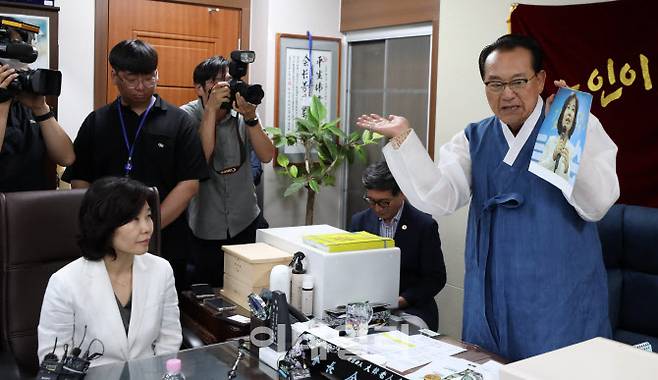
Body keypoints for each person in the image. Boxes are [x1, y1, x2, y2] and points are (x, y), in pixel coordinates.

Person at [357, 34, 619, 360]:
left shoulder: (575, 124)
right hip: (490, 296)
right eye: (494, 84)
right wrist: (403, 139)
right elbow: (439, 199)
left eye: (518, 81)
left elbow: (598, 204)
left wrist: (563, 134)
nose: (506, 94)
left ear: (540, 80)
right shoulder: (474, 137)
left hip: (558, 298)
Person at [62, 40, 208, 291]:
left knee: (165, 310)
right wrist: (106, 227)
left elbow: (189, 184)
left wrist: (148, 228)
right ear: (114, 76)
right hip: (106, 241)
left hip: (166, 240)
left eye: (149, 78)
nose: (141, 86)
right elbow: (80, 180)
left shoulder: (179, 122)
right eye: (131, 79)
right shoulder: (97, 122)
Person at [37, 177, 182, 367]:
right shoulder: (64, 282)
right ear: (104, 225)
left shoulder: (161, 270)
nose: (146, 228)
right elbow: (53, 357)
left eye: (148, 216)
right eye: (133, 220)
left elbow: (169, 340)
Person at [180, 56, 273, 287]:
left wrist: (251, 117)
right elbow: (200, 160)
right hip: (205, 225)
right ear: (199, 88)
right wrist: (210, 111)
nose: (225, 88)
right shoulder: (185, 117)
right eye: (217, 82)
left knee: (249, 289)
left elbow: (267, 155)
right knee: (208, 295)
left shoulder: (241, 113)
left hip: (246, 219)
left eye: (228, 81)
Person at [349, 160, 446, 331]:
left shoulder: (423, 225)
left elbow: (435, 278)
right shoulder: (360, 221)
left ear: (402, 193)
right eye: (371, 201)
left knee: (398, 342)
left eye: (384, 202)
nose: (377, 208)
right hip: (367, 308)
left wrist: (399, 301)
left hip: (411, 309)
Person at [0, 35, 74, 192]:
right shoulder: (4, 104)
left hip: (33, 203)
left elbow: (66, 158)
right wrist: (3, 103)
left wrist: (41, 109)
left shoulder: (29, 104)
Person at [539, 93, 578, 180]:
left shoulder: (572, 149)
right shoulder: (551, 140)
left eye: (573, 109)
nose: (569, 113)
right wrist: (553, 156)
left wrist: (566, 169)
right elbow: (539, 167)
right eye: (568, 108)